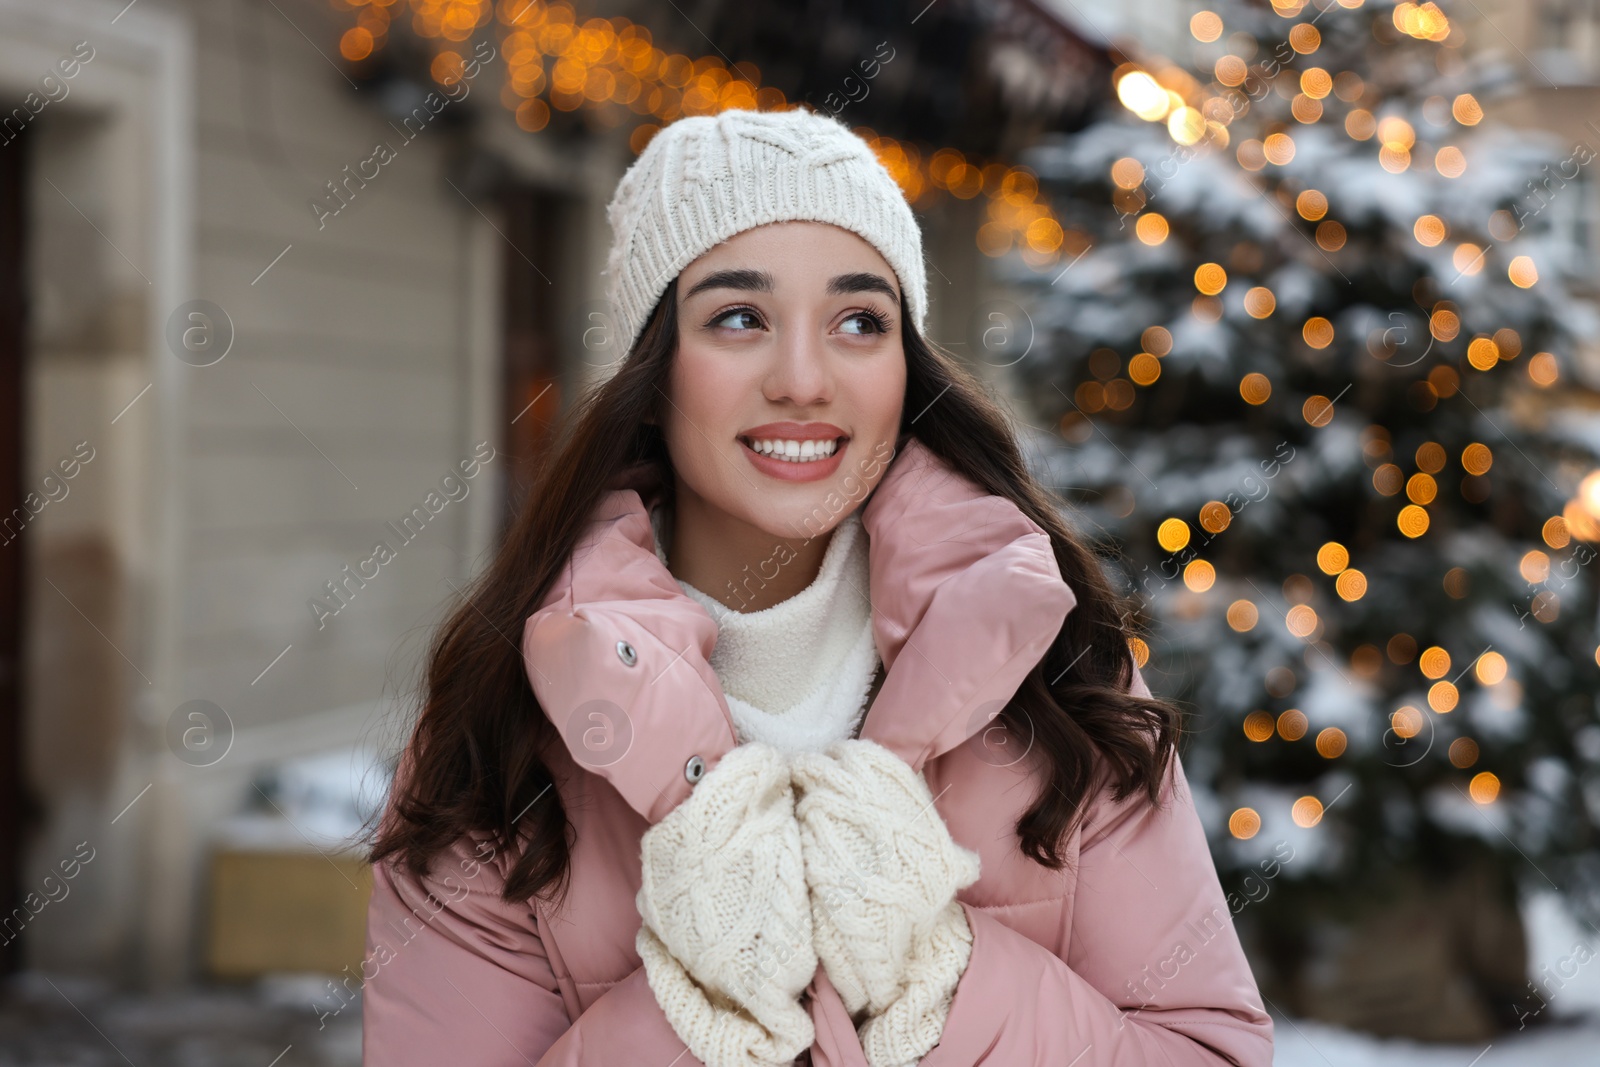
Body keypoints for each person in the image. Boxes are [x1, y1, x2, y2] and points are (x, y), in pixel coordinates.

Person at [359, 106, 1274, 1067]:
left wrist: (943, 974)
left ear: (903, 367)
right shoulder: (502, 725)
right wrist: (702, 1003)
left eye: (858, 321)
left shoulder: (1060, 676)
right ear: (654, 369)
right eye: (739, 317)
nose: (804, 378)